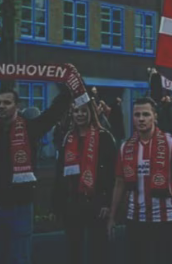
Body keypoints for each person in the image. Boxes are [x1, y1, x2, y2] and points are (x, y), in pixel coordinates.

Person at [107, 97, 172, 264]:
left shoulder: (171, 144)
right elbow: (119, 184)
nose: (141, 119)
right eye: (137, 115)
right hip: (135, 218)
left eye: (146, 114)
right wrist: (112, 217)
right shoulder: (125, 147)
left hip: (164, 218)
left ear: (155, 117)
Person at [0, 85, 72, 263]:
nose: (1, 106)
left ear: (17, 106)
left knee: (19, 257)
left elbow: (53, 114)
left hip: (20, 207)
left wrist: (66, 87)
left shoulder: (30, 128)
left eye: (6, 102)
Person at [54, 100, 117, 264]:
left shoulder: (104, 137)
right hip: (73, 202)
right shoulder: (67, 138)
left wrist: (108, 202)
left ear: (91, 113)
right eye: (76, 111)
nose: (79, 115)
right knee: (73, 251)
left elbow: (113, 173)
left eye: (83, 111)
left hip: (97, 202)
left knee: (98, 251)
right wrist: (57, 204)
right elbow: (59, 172)